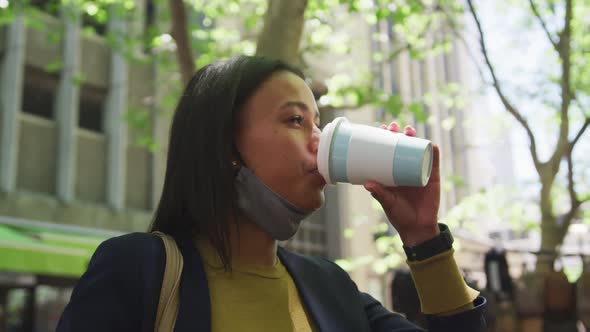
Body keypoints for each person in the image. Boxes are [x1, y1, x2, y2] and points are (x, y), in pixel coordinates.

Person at [56, 56, 486, 332]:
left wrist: (423, 238)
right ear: (226, 146)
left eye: (317, 123)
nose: (319, 141)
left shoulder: (330, 286)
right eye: (296, 120)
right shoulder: (139, 271)